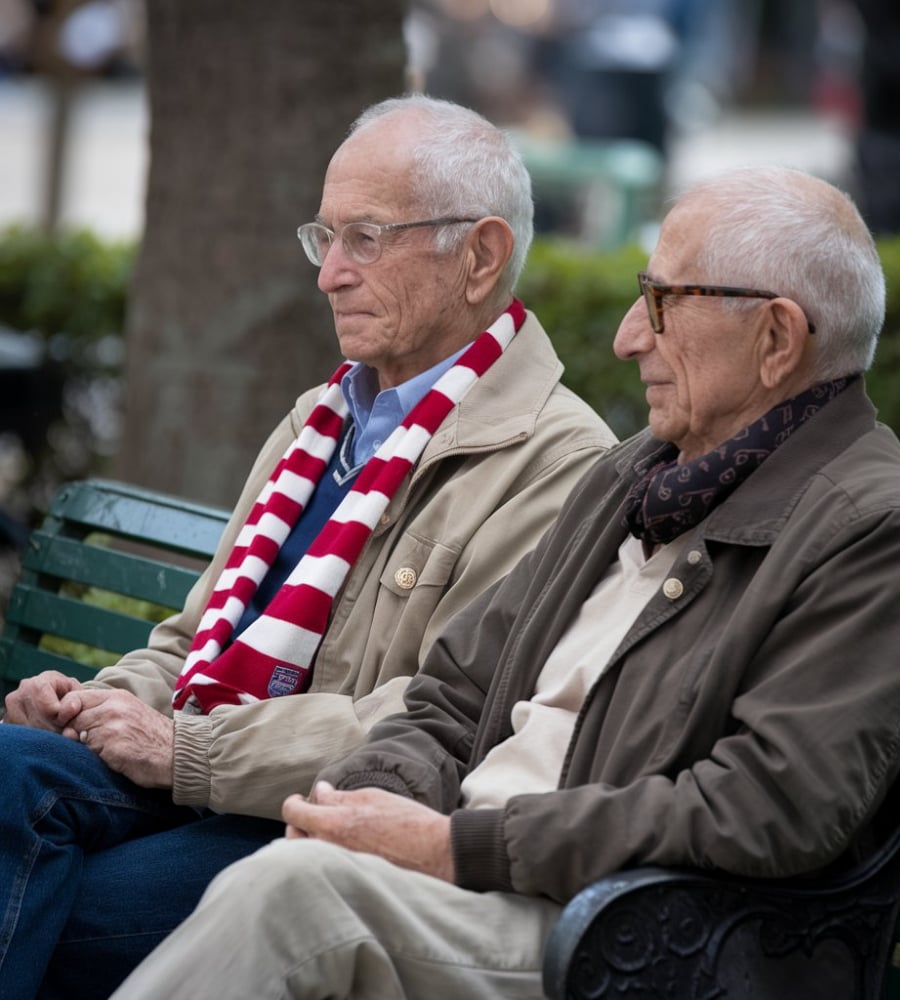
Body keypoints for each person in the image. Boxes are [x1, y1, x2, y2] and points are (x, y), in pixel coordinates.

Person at [110, 164, 900, 1000]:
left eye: (663, 303)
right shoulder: (637, 474)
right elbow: (452, 694)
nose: (631, 335)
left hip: (624, 938)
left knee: (292, 900)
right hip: (487, 888)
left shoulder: (880, 531)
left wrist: (458, 846)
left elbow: (764, 808)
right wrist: (370, 804)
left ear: (777, 338)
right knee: (288, 871)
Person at [0, 94, 617, 999]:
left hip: (329, 818)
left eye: (365, 238)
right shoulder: (323, 416)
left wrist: (188, 753)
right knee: (11, 763)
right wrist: (93, 703)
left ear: (481, 254)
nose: (329, 274)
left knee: (64, 903)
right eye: (322, 238)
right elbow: (197, 638)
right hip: (199, 770)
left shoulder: (559, 462)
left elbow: (447, 721)